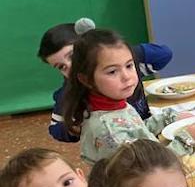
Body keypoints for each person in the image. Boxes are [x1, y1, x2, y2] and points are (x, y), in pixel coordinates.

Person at [62, 28, 195, 165]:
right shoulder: (109, 132)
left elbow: (137, 132)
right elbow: (148, 169)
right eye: (112, 72)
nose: (126, 77)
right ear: (87, 79)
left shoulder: (115, 105)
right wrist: (187, 141)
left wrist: (169, 118)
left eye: (129, 66)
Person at [39, 19, 173, 143]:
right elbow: (55, 128)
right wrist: (78, 127)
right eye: (61, 67)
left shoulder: (124, 69)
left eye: (73, 56)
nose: (70, 66)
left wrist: (118, 54)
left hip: (146, 131)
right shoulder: (69, 92)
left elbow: (164, 54)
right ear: (86, 80)